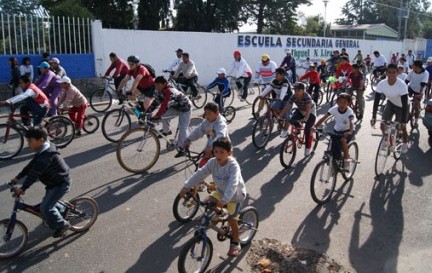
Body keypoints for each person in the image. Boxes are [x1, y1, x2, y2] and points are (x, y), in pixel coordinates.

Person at [179, 137, 246, 257]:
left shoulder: (233, 166)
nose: (218, 155)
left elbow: (233, 184)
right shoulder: (213, 162)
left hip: (235, 196)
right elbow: (200, 174)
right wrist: (186, 186)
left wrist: (225, 200)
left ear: (229, 153)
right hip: (220, 191)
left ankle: (235, 242)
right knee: (208, 201)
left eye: (222, 152)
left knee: (232, 220)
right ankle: (220, 213)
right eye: (215, 152)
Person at [9, 128, 72, 238]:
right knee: (48, 203)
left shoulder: (46, 156)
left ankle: (63, 225)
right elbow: (30, 166)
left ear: (41, 140)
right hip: (53, 182)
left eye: (30, 141)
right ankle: (63, 209)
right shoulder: (42, 151)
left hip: (60, 183)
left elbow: (34, 175)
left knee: (45, 208)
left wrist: (23, 188)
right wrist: (18, 177)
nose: (28, 144)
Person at [371, 64, 409, 153]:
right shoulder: (381, 84)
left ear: (397, 73)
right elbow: (376, 101)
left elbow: (404, 103)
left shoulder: (402, 85)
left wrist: (403, 121)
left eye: (394, 72)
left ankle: (404, 143)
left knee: (401, 127)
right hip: (391, 103)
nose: (391, 74)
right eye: (389, 72)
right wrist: (374, 116)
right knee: (383, 124)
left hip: (402, 106)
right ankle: (386, 140)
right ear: (386, 73)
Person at [151, 76, 192, 158]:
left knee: (182, 128)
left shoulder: (170, 91)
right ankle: (167, 131)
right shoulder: (158, 91)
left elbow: (164, 105)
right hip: (175, 106)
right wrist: (146, 113)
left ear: (164, 84)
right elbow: (155, 103)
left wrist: (156, 116)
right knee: (163, 116)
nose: (156, 87)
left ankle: (183, 149)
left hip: (185, 108)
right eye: (155, 85)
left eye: (158, 85)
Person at [313, 93, 355, 170]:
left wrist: (350, 131)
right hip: (337, 130)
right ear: (337, 102)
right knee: (332, 144)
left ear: (348, 103)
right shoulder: (334, 109)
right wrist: (314, 126)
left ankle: (346, 159)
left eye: (344, 102)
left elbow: (351, 122)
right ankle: (333, 160)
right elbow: (323, 118)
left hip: (347, 131)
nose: (342, 104)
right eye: (340, 102)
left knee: (342, 141)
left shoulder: (349, 111)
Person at [279, 82, 317, 156]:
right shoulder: (293, 96)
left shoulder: (307, 97)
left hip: (310, 112)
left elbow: (308, 109)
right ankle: (298, 130)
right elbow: (287, 106)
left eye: (298, 90)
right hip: (300, 110)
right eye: (295, 90)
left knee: (307, 130)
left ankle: (308, 148)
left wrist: (305, 119)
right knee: (292, 120)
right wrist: (280, 116)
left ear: (303, 90)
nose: (296, 92)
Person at [406, 60, 429, 128]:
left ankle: (415, 121)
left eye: (413, 66)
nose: (412, 67)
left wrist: (420, 94)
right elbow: (406, 81)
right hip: (411, 88)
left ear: (418, 67)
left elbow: (423, 84)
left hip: (419, 90)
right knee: (403, 99)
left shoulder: (425, 73)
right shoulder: (411, 72)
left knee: (416, 106)